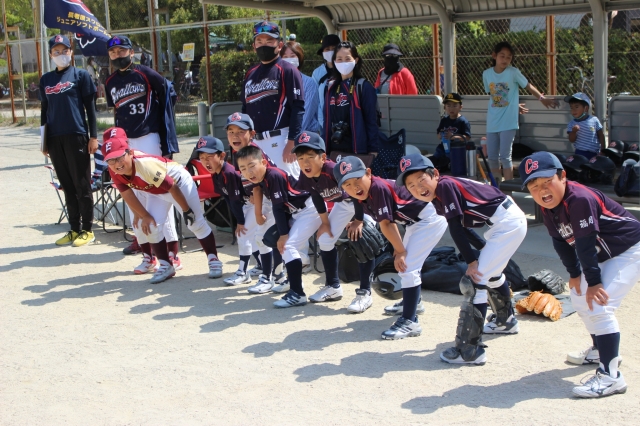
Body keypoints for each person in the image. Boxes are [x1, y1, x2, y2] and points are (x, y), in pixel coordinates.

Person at [519, 151, 640, 398]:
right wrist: (574, 274)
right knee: (578, 297)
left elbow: (585, 245)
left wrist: (593, 282)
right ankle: (600, 350)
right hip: (607, 254)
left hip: (630, 249)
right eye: (534, 186)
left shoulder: (580, 199)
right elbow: (560, 242)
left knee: (599, 305)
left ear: (563, 176)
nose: (542, 190)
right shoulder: (549, 205)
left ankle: (611, 377)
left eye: (547, 181)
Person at [396, 153, 527, 365]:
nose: (418, 187)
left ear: (435, 174)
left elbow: (456, 229)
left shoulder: (445, 186)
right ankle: (506, 321)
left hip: (507, 224)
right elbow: (464, 229)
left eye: (421, 179)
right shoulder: (439, 196)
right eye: (411, 186)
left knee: (475, 281)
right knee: (491, 274)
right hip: (505, 222)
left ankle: (470, 351)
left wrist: (472, 262)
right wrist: (483, 250)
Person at [334, 156, 448, 339]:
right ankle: (414, 303)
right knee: (406, 266)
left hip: (429, 219)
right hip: (415, 222)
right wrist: (398, 247)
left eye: (357, 179)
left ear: (368, 173)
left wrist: (400, 250)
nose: (354, 187)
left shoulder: (377, 187)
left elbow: (387, 224)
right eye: (347, 184)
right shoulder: (361, 194)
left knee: (407, 266)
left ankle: (410, 321)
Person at [103, 127, 223, 284]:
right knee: (151, 225)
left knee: (195, 222)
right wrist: (142, 215)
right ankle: (166, 265)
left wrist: (186, 210)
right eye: (111, 160)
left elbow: (172, 186)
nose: (116, 164)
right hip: (156, 190)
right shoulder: (114, 170)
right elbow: (127, 194)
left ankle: (214, 260)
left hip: (178, 183)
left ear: (130, 153)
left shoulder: (144, 165)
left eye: (120, 157)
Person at [104, 35, 180, 270]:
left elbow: (168, 94)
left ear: (131, 52)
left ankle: (172, 252)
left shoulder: (145, 73)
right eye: (113, 52)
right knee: (134, 197)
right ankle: (148, 255)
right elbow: (116, 112)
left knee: (159, 192)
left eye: (121, 51)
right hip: (125, 144)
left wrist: (164, 130)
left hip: (149, 137)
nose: (117, 55)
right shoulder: (110, 82)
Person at [292, 131, 376, 313]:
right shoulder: (306, 175)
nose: (305, 163)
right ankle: (333, 287)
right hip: (344, 204)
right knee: (325, 239)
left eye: (310, 157)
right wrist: (325, 223)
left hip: (364, 201)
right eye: (300, 158)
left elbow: (357, 193)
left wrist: (358, 220)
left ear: (323, 157)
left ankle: (365, 293)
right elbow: (316, 197)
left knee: (362, 239)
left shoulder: (333, 170)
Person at [236, 145, 322, 308]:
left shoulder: (273, 175)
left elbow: (278, 208)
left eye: (252, 166)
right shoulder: (262, 179)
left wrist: (283, 234)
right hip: (297, 213)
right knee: (283, 245)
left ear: (263, 162)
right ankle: (293, 280)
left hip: (309, 210)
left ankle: (297, 294)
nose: (248, 172)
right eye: (243, 169)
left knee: (287, 245)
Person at [194, 135, 278, 294]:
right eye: (202, 158)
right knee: (250, 237)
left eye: (209, 157)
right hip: (247, 204)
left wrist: (240, 222)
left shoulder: (228, 172)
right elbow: (227, 198)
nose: (205, 161)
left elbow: (235, 200)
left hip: (256, 203)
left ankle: (243, 272)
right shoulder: (216, 173)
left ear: (221, 155)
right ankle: (261, 266)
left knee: (244, 234)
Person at [40, 34, 98, 247]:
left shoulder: (80, 75)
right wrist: (43, 141)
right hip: (55, 138)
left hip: (77, 135)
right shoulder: (46, 80)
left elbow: (90, 109)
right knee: (66, 184)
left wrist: (93, 136)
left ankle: (87, 230)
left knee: (81, 183)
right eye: (56, 51)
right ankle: (74, 228)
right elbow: (44, 110)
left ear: (71, 52)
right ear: (50, 55)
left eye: (65, 50)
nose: (61, 54)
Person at [225, 112, 292, 282]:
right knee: (257, 237)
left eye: (241, 131)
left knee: (263, 237)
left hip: (271, 200)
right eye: (231, 132)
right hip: (262, 200)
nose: (235, 136)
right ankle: (267, 271)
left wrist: (257, 212)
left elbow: (259, 186)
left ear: (252, 134)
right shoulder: (239, 152)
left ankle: (271, 275)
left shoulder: (254, 153)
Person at [483, 41, 557, 181]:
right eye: (502, 56)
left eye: (509, 57)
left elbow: (528, 86)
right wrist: (514, 105)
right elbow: (496, 96)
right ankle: (496, 188)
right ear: (494, 56)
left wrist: (542, 98)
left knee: (505, 157)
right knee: (492, 157)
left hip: (508, 122)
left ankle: (508, 189)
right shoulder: (486, 74)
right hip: (492, 122)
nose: (505, 59)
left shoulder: (513, 72)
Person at [241, 21, 304, 178]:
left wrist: (292, 141)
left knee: (289, 186)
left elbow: (298, 108)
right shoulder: (250, 73)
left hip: (281, 139)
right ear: (254, 45)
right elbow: (245, 109)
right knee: (261, 187)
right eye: (259, 41)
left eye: (269, 41)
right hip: (255, 141)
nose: (264, 45)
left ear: (279, 45)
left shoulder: (288, 70)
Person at [324, 41, 379, 158]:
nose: (343, 62)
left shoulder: (363, 86)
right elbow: (326, 120)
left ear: (356, 60)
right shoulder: (330, 87)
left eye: (347, 59)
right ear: (334, 61)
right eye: (339, 59)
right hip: (333, 149)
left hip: (357, 149)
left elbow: (371, 121)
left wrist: (373, 149)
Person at [280, 41, 320, 134]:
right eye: (285, 57)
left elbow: (305, 116)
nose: (289, 59)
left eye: (293, 56)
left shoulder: (309, 83)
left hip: (305, 135)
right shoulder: (277, 82)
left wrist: (291, 137)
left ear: (299, 57)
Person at [430, 92, 471, 172]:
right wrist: (440, 135)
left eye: (454, 106)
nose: (451, 109)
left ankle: (446, 164)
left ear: (460, 107)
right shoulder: (444, 120)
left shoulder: (463, 121)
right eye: (448, 106)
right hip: (442, 148)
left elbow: (467, 137)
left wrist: (453, 137)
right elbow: (438, 134)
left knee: (447, 163)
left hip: (456, 150)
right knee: (432, 161)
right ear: (444, 107)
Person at [312, 34, 341, 132]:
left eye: (333, 48)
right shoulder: (317, 73)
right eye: (327, 49)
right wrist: (323, 121)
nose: (330, 51)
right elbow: (315, 100)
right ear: (323, 52)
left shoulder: (345, 69)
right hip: (324, 121)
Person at [565, 92, 605, 159]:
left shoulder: (594, 120)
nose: (573, 110)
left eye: (576, 107)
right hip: (580, 153)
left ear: (586, 108)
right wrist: (574, 132)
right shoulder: (571, 123)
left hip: (594, 153)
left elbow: (601, 135)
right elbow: (571, 140)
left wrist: (603, 149)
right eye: (571, 107)